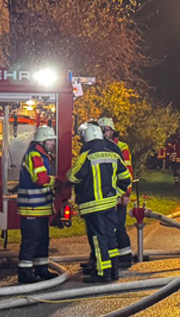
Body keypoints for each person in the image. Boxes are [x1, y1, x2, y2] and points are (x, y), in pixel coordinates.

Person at [69, 122, 132, 283]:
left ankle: (102, 272)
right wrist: (116, 194)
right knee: (110, 237)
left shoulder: (87, 155)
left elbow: (73, 177)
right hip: (110, 205)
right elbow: (126, 179)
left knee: (98, 239)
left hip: (93, 205)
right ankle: (113, 271)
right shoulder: (113, 154)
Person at [16, 125, 59, 284]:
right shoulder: (35, 156)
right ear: (42, 141)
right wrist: (56, 180)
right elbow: (40, 179)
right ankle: (25, 273)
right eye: (50, 141)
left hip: (39, 209)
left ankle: (41, 269)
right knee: (30, 240)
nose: (52, 144)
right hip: (32, 208)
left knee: (42, 239)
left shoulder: (41, 155)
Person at [99, 116, 135, 269]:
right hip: (104, 195)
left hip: (118, 193)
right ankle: (104, 259)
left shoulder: (121, 147)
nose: (103, 133)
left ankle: (125, 257)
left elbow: (127, 172)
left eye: (106, 130)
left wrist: (125, 194)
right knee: (105, 229)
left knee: (119, 227)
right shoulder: (98, 147)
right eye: (101, 130)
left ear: (112, 131)